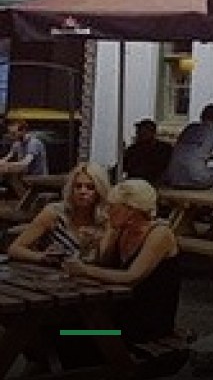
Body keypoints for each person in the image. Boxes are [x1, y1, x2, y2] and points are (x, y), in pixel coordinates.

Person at [63, 180, 183, 366]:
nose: (106, 212)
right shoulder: (121, 230)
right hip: (117, 315)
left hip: (145, 326)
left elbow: (131, 277)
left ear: (131, 210)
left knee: (69, 335)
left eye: (112, 207)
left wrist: (84, 270)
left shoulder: (160, 234)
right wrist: (98, 241)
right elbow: (102, 264)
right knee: (57, 328)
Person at [8, 161, 111, 265]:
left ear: (99, 191)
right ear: (71, 189)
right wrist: (42, 257)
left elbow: (109, 261)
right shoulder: (54, 213)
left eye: (90, 187)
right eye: (78, 186)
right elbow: (15, 249)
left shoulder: (106, 218)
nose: (82, 191)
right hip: (52, 275)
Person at [161, 104, 213, 190]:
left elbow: (195, 155)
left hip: (173, 178)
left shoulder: (189, 128)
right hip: (196, 179)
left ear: (202, 115)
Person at [123, 118, 172, 186]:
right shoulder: (132, 150)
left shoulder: (164, 149)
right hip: (133, 186)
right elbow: (122, 166)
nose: (138, 135)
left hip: (155, 186)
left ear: (152, 133)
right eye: (138, 132)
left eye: (143, 133)